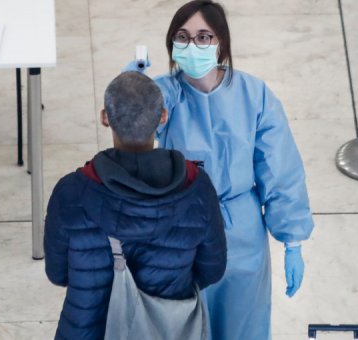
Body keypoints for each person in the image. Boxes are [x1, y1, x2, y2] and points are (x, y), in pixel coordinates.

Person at [124, 1, 315, 339]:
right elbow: (130, 141)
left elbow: (279, 167)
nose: (192, 45)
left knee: (244, 324)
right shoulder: (164, 94)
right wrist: (132, 92)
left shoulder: (254, 95)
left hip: (240, 230)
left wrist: (293, 240)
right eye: (182, 37)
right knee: (184, 326)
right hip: (180, 229)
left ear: (221, 44)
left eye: (203, 37)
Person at [44, 71, 227, 340]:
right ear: (163, 116)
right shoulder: (197, 189)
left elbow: (57, 273)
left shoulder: (71, 192)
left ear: (105, 118)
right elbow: (212, 269)